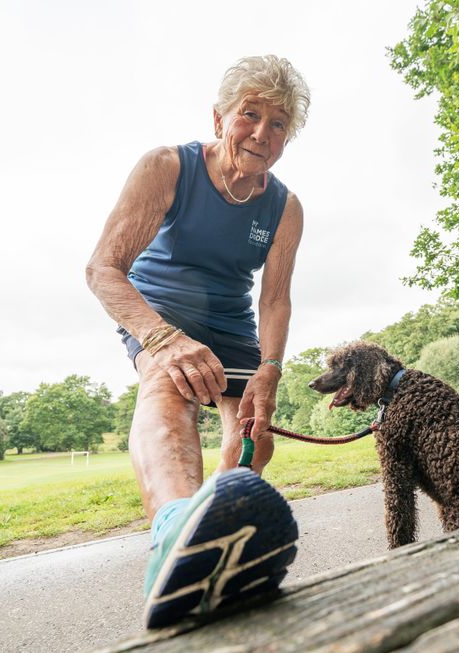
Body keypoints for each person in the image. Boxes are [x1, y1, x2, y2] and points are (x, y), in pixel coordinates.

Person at [85, 55, 309, 628]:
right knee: (168, 391)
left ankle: (221, 548)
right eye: (250, 114)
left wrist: (271, 369)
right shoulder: (167, 166)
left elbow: (275, 299)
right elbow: (103, 269)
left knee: (255, 439)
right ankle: (174, 534)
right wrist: (162, 339)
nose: (262, 132)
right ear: (219, 118)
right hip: (159, 315)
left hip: (232, 329)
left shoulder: (285, 207)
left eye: (279, 122)